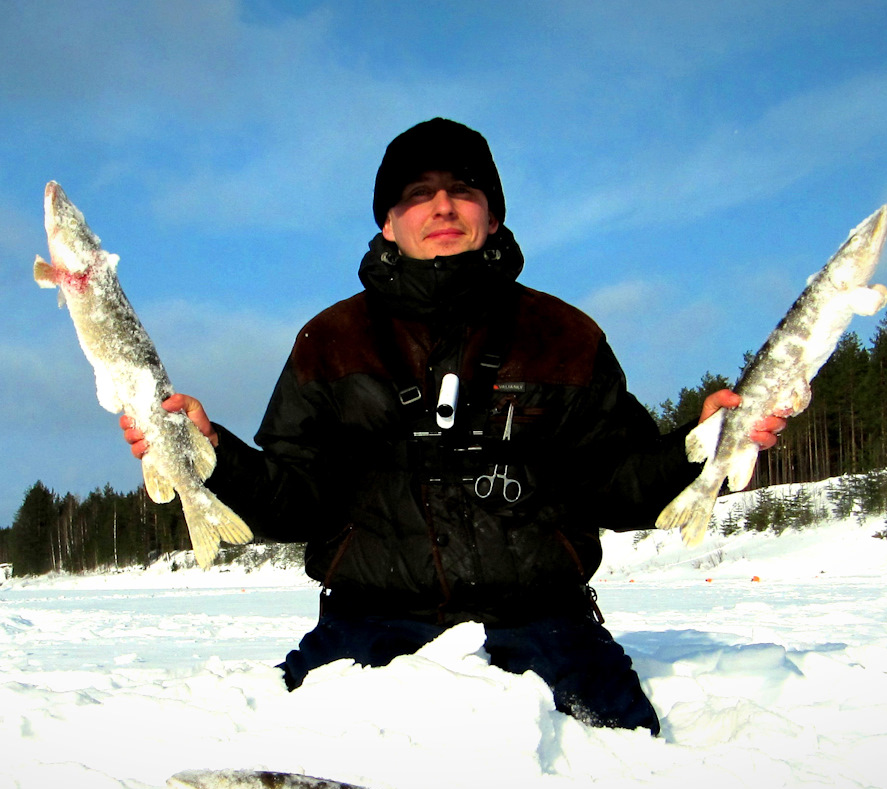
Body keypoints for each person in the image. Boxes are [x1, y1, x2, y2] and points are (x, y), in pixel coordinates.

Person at [123, 118, 783, 735]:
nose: (442, 207)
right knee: (293, 780)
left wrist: (704, 450)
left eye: (463, 191)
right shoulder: (329, 342)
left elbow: (617, 486)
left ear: (491, 216)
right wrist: (213, 454)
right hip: (369, 625)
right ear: (388, 222)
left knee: (622, 771)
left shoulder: (565, 335)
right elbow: (296, 501)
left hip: (543, 622)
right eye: (419, 194)